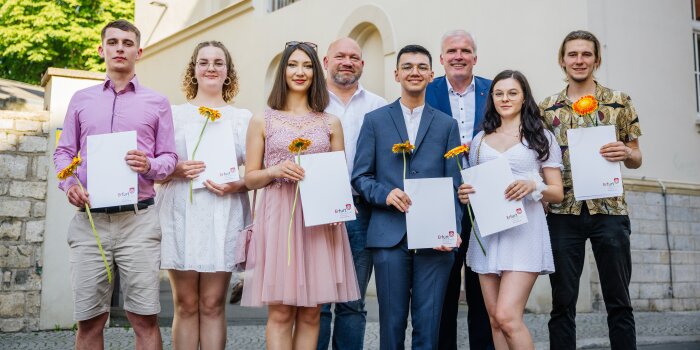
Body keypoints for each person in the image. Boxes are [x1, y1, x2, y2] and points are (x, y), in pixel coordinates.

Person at [53, 19, 176, 350]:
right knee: (90, 321)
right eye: (113, 42)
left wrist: (150, 165)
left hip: (139, 221)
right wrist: (69, 185)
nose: (119, 48)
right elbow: (63, 153)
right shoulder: (81, 100)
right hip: (90, 221)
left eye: (126, 43)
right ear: (101, 50)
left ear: (139, 51)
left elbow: (170, 159)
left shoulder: (157, 102)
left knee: (144, 318)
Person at [240, 41, 360, 349]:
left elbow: (338, 178)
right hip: (279, 219)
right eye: (293, 65)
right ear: (283, 72)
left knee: (311, 313)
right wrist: (275, 171)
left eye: (307, 66)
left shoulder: (330, 122)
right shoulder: (262, 119)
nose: (300, 71)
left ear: (315, 73)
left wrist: (339, 210)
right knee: (280, 312)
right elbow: (250, 178)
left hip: (319, 224)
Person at [352, 44, 462, 350]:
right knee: (391, 324)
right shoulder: (375, 121)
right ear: (397, 73)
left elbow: (455, 184)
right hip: (389, 236)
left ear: (431, 74)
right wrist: (385, 194)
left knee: (429, 326)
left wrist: (453, 231)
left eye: (421, 67)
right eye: (408, 66)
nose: (415, 72)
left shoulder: (446, 124)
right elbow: (360, 176)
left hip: (435, 239)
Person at [540, 30, 642, 350]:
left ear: (597, 60)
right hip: (561, 213)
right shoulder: (546, 109)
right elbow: (539, 161)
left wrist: (626, 153)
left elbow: (637, 156)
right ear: (562, 60)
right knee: (562, 303)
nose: (579, 60)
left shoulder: (619, 101)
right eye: (573, 54)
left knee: (619, 300)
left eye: (586, 54)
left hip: (609, 211)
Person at [156, 41, 251, 349]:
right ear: (194, 70)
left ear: (228, 72)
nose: (211, 67)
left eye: (218, 62)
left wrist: (236, 183)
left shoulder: (242, 119)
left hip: (224, 214)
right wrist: (176, 170)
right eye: (204, 62)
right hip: (180, 212)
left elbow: (256, 171)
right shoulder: (172, 115)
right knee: (185, 303)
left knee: (211, 304)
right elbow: (154, 168)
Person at [458, 70, 564, 349]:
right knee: (494, 320)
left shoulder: (541, 137)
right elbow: (476, 184)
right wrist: (466, 193)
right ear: (491, 98)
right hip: (488, 232)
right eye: (499, 93)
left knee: (508, 317)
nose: (505, 98)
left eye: (512, 93)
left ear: (524, 97)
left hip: (524, 231)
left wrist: (533, 185)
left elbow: (558, 193)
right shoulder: (479, 140)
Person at [424, 30, 494, 350]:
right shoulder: (427, 91)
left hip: (486, 198)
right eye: (451, 50)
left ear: (475, 58)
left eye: (465, 50)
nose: (458, 56)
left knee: (483, 286)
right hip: (442, 198)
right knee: (444, 288)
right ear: (441, 59)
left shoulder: (494, 91)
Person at [317, 37, 387, 350]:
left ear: (362, 64)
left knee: (352, 301)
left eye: (354, 57)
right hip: (315, 211)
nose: (347, 61)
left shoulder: (379, 106)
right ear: (326, 62)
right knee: (315, 303)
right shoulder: (310, 104)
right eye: (340, 56)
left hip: (362, 211)